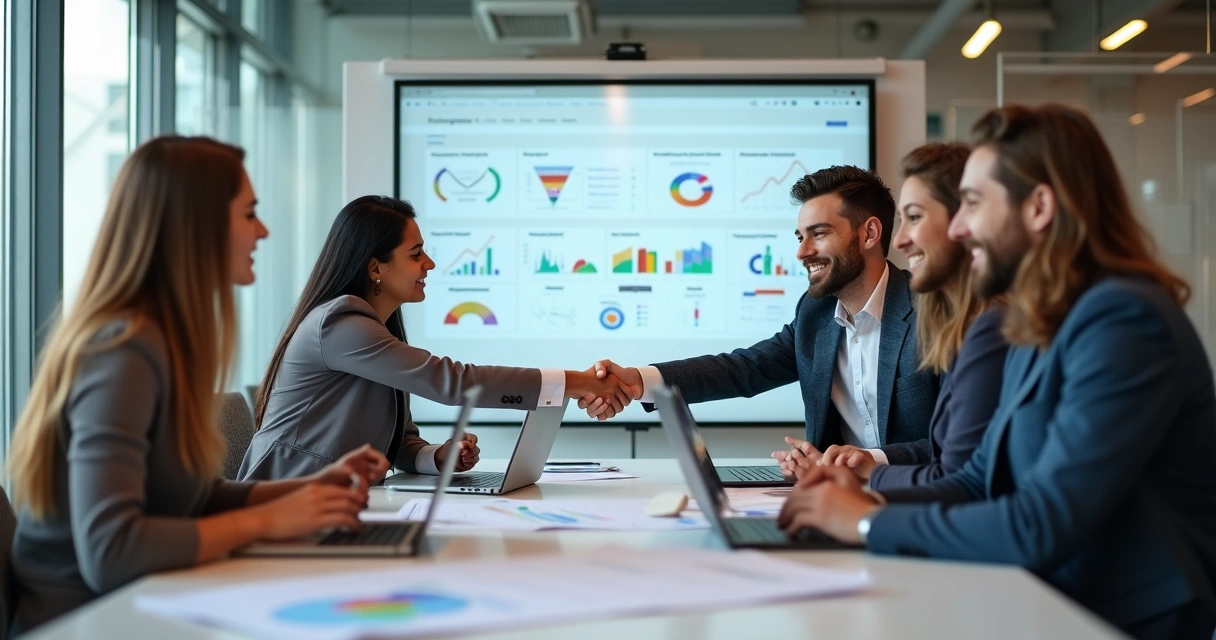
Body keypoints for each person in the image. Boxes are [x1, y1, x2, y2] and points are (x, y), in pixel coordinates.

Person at [777, 104, 1216, 640]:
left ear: (1038, 207)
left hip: (1116, 616)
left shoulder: (1123, 319)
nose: (959, 228)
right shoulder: (1042, 320)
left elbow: (1040, 522)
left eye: (974, 204)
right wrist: (856, 486)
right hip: (1049, 598)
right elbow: (975, 478)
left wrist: (865, 519)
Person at [7, 137, 391, 634]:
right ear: (198, 226)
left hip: (146, 604)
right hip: (90, 621)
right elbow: (112, 551)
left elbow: (184, 499)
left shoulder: (159, 340)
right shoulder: (121, 349)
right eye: (249, 214)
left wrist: (310, 489)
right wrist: (270, 521)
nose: (263, 231)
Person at [239, 195, 630, 481]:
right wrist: (576, 383)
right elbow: (453, 381)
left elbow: (398, 441)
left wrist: (435, 457)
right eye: (416, 254)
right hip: (287, 498)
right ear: (376, 266)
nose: (429, 264)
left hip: (341, 500)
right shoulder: (339, 325)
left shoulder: (374, 328)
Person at [581, 166, 938, 469]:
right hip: (835, 499)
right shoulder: (815, 314)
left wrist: (871, 461)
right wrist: (637, 381)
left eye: (819, 233)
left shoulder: (934, 314)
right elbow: (743, 369)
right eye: (800, 236)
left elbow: (960, 446)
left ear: (869, 233)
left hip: (920, 499)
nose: (802, 251)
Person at [799, 143, 1010, 491]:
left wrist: (863, 515)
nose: (900, 240)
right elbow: (744, 368)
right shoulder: (816, 312)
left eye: (915, 217)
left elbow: (964, 479)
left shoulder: (985, 325)